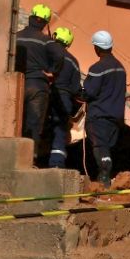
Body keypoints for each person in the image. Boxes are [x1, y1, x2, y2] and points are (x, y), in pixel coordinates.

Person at [15, 4, 62, 161]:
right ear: (45, 23)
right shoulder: (46, 41)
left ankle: (13, 155)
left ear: (30, 18)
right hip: (37, 87)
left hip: (16, 84)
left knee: (15, 121)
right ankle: (30, 158)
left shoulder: (16, 36)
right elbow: (60, 56)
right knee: (34, 124)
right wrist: (52, 70)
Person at [81, 30, 125, 187]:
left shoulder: (97, 68)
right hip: (116, 117)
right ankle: (107, 177)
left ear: (97, 48)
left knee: (101, 147)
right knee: (108, 147)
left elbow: (89, 92)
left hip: (99, 116)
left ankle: (104, 179)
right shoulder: (120, 68)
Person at [46, 27, 83, 169]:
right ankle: (56, 164)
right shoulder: (74, 61)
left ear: (55, 37)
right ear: (68, 43)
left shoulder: (47, 52)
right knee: (60, 131)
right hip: (64, 99)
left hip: (45, 95)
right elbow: (75, 89)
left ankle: (31, 160)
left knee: (36, 127)